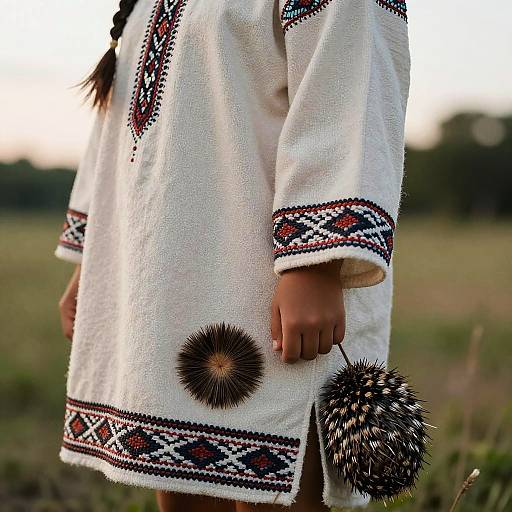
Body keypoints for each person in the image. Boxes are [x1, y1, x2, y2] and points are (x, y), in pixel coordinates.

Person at [56, 0, 411, 510]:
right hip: (162, 272)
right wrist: (92, 261)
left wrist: (316, 263)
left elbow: (350, 84)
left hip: (276, 274)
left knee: (276, 466)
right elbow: (114, 127)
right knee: (179, 477)